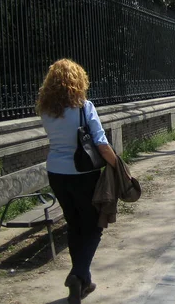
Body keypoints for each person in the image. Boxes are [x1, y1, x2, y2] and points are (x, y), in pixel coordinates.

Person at [36, 59, 117, 304]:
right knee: (93, 226)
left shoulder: (46, 110)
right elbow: (101, 143)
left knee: (74, 225)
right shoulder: (84, 107)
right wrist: (117, 165)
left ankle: (84, 282)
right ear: (78, 80)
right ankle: (77, 274)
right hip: (83, 174)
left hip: (57, 173)